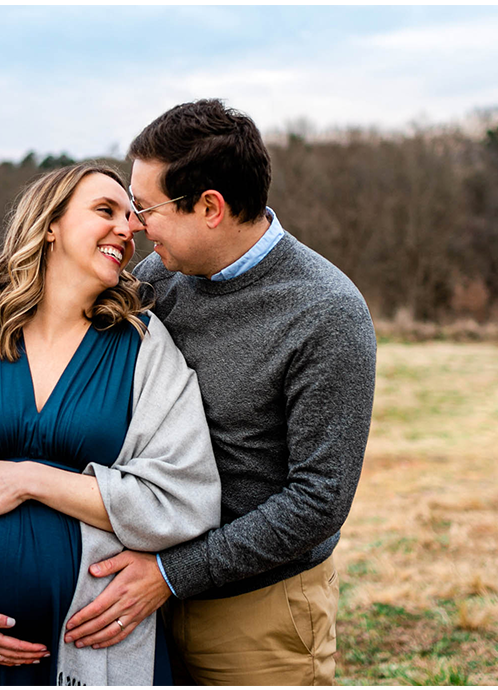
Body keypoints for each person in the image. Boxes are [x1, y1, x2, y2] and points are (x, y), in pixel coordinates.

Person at [58, 99, 377, 685]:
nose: (133, 227)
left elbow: (319, 498)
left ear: (209, 208)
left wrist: (174, 572)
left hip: (259, 616)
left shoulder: (326, 313)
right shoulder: (158, 280)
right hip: (140, 599)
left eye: (145, 208)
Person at [0, 163, 222, 685]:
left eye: (131, 216)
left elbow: (186, 498)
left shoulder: (144, 346)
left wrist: (31, 479)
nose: (127, 229)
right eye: (106, 211)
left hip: (97, 651)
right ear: (50, 223)